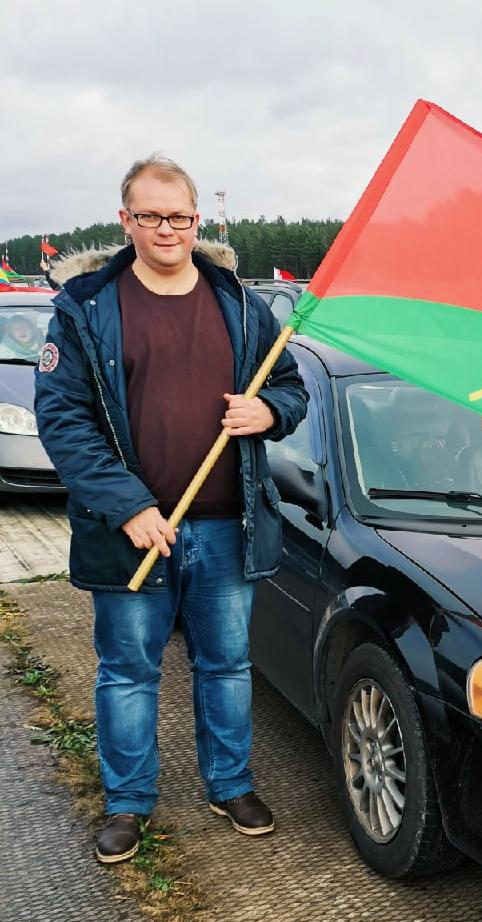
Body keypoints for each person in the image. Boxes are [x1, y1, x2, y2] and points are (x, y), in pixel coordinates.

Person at [34, 155, 308, 864]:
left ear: (198, 220)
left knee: (226, 664)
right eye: (150, 215)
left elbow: (292, 389)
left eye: (179, 216)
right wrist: (127, 506)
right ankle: (127, 802)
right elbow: (64, 421)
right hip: (131, 531)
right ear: (125, 220)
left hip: (227, 527)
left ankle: (231, 783)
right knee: (127, 671)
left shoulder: (244, 306)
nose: (166, 229)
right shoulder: (88, 309)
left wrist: (266, 410)